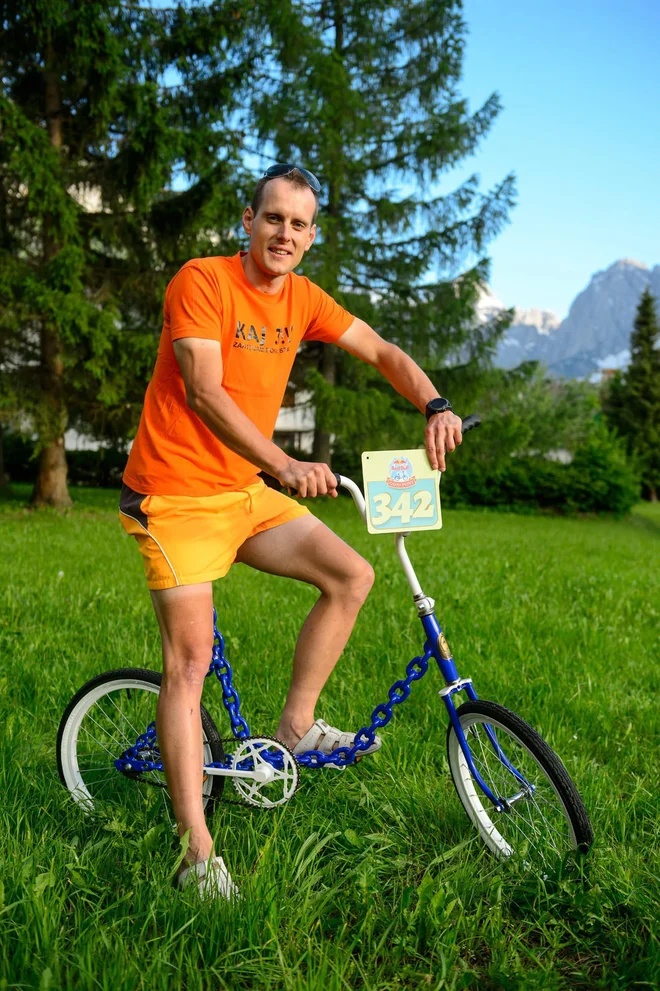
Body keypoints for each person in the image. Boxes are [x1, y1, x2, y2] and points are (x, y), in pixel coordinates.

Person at [119, 164, 463, 899]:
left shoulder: (302, 297)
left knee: (351, 574)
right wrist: (281, 462)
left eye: (299, 224)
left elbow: (380, 352)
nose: (284, 233)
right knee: (188, 665)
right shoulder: (202, 281)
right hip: (176, 495)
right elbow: (205, 390)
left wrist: (435, 402)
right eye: (273, 217)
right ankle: (196, 853)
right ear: (248, 219)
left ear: (312, 236)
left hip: (243, 493)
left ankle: (296, 728)